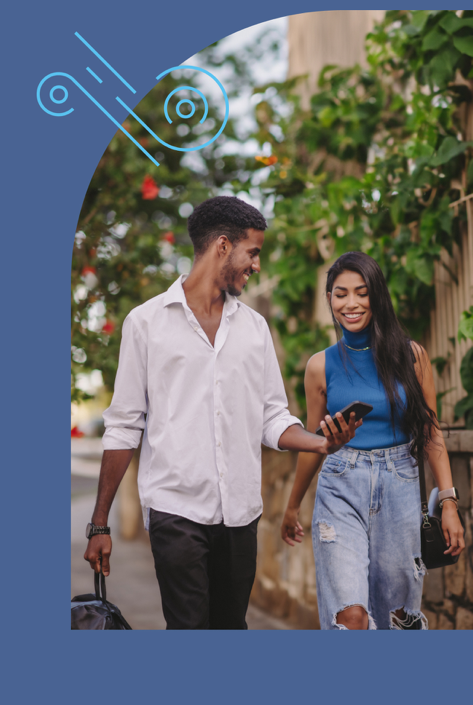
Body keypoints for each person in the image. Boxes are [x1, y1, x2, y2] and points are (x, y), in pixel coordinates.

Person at [84, 196, 360, 630]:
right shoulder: (146, 324)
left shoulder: (254, 329)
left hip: (240, 513)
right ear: (222, 246)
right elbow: (123, 427)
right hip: (175, 510)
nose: (257, 266)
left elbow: (272, 416)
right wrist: (99, 523)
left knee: (231, 628)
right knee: (190, 628)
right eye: (253, 253)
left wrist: (322, 440)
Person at [281, 250, 465, 630]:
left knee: (399, 616)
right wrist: (292, 505)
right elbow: (317, 443)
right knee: (351, 616)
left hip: (400, 486)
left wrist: (448, 501)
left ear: (377, 296)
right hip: (340, 487)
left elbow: (430, 432)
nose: (350, 303)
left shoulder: (412, 357)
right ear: (330, 300)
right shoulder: (320, 365)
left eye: (361, 293)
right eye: (340, 293)